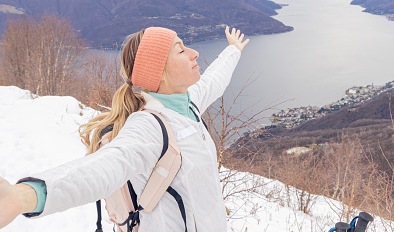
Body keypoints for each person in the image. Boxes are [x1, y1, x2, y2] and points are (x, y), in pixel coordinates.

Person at [0, 25, 249, 231]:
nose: (194, 53)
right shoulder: (149, 126)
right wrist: (24, 196)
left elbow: (214, 80)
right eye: (180, 50)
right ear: (158, 72)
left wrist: (233, 51)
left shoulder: (188, 104)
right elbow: (106, 166)